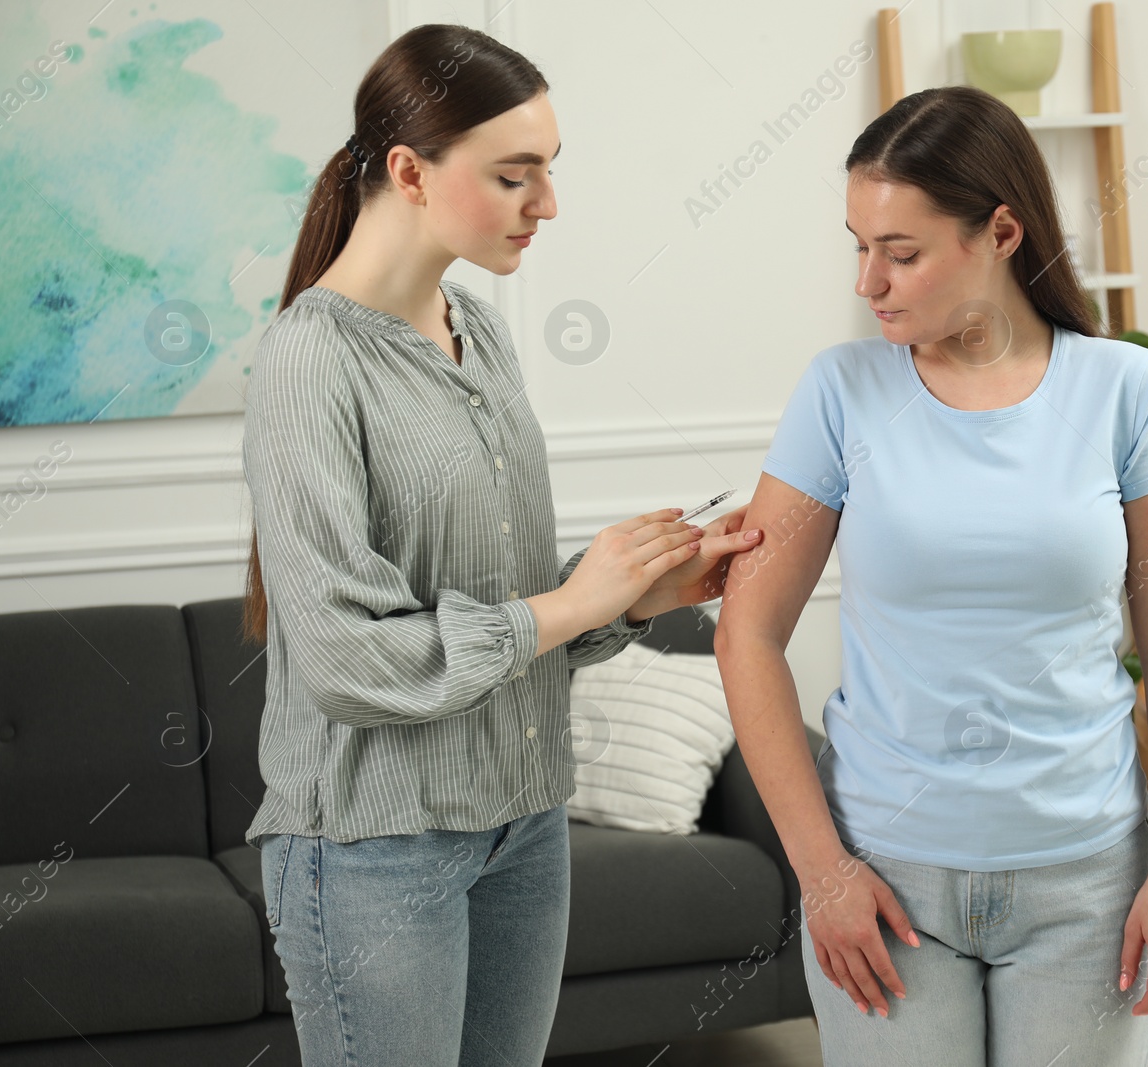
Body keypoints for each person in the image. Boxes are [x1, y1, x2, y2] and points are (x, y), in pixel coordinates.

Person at [238, 25, 763, 1067]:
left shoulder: (480, 327)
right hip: (373, 847)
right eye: (515, 176)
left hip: (523, 823)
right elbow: (349, 659)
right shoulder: (307, 358)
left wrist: (631, 597)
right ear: (408, 171)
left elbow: (507, 610)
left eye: (550, 173)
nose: (548, 204)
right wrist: (574, 602)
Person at [714, 85, 1148, 1065]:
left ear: (998, 231)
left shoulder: (1125, 391)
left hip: (1086, 883)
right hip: (885, 876)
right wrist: (820, 873)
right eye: (858, 245)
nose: (870, 280)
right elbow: (747, 631)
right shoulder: (840, 392)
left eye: (900, 252)